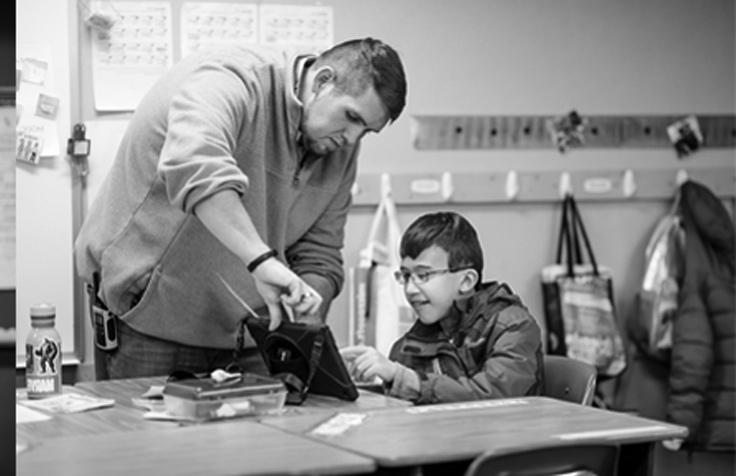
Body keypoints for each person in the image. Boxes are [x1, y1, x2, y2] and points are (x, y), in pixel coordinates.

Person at [74, 38, 407, 379]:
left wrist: (307, 306)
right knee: (142, 431)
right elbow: (197, 166)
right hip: (148, 320)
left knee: (266, 431)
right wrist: (262, 261)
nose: (351, 139)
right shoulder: (231, 79)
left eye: (366, 130)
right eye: (351, 117)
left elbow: (320, 252)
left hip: (249, 333)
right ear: (322, 81)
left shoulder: (340, 147)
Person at [340, 212, 544, 404]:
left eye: (424, 275)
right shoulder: (408, 346)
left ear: (466, 281)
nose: (410, 289)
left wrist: (403, 378)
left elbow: (492, 398)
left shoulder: (514, 327)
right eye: (406, 276)